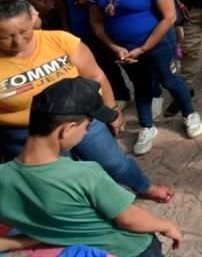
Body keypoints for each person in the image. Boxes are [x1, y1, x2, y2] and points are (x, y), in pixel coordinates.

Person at [0, 0, 172, 203]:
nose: (18, 41)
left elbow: (95, 76)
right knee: (59, 185)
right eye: (6, 37)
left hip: (83, 120)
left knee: (114, 163)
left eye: (23, 32)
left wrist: (112, 111)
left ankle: (145, 187)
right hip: (27, 136)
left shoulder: (60, 40)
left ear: (32, 20)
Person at [0, 77, 182, 256]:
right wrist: (166, 226)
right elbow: (128, 219)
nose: (87, 131)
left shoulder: (3, 176)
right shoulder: (85, 174)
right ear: (68, 129)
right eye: (87, 126)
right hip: (131, 249)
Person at [89, 0, 202, 155]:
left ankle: (190, 113)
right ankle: (147, 126)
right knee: (140, 86)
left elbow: (168, 17)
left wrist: (143, 48)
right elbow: (96, 21)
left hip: (157, 43)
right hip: (124, 49)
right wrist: (114, 47)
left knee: (169, 79)